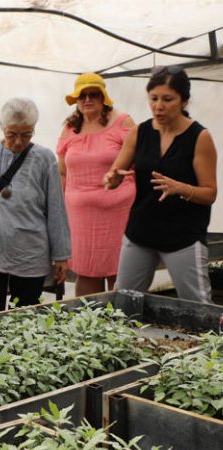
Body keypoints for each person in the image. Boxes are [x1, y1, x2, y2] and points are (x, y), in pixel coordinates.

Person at [103, 66, 217, 302]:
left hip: (183, 237)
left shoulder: (199, 137)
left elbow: (209, 193)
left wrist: (180, 188)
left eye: (167, 99)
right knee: (123, 301)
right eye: (153, 99)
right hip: (140, 232)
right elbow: (115, 173)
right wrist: (112, 179)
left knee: (197, 308)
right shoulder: (139, 132)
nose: (159, 106)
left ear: (184, 100)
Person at [0, 97, 71, 313]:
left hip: (29, 250)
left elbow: (56, 208)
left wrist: (61, 255)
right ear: (1, 127)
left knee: (25, 314)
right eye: (11, 134)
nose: (18, 142)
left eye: (26, 135)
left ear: (34, 129)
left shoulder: (44, 158)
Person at [57, 73, 135, 296]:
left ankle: (121, 325)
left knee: (119, 271)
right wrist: (58, 209)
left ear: (104, 97)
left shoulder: (123, 122)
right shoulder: (70, 128)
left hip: (119, 213)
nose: (87, 99)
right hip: (80, 216)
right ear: (75, 100)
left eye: (93, 94)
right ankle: (89, 326)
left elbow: (139, 162)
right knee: (86, 269)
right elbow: (62, 171)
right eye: (81, 96)